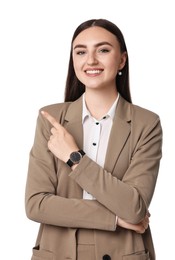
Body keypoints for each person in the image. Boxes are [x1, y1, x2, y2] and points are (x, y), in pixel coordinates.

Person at [25, 18, 162, 260]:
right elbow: (36, 204)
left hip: (124, 252)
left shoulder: (146, 123)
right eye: (81, 52)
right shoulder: (51, 119)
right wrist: (115, 218)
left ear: (121, 59)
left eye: (103, 50)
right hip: (57, 252)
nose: (91, 61)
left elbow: (134, 207)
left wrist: (73, 157)